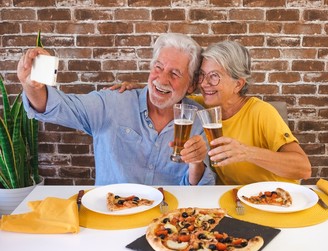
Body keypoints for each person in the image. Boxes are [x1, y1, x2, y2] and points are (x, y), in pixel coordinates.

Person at [17, 33, 216, 186]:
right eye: (158, 67)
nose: (162, 79)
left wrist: (197, 163)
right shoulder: (113, 102)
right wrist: (32, 87)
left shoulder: (197, 119)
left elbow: (197, 187)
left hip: (167, 224)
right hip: (111, 217)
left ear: (190, 85)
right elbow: (59, 108)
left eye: (174, 73)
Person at [110, 40, 312, 185]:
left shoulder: (261, 112)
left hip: (275, 201)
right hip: (231, 203)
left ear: (238, 84)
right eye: (203, 76)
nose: (205, 84)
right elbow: (172, 91)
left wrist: (246, 152)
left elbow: (303, 168)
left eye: (214, 77)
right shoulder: (201, 107)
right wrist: (139, 87)